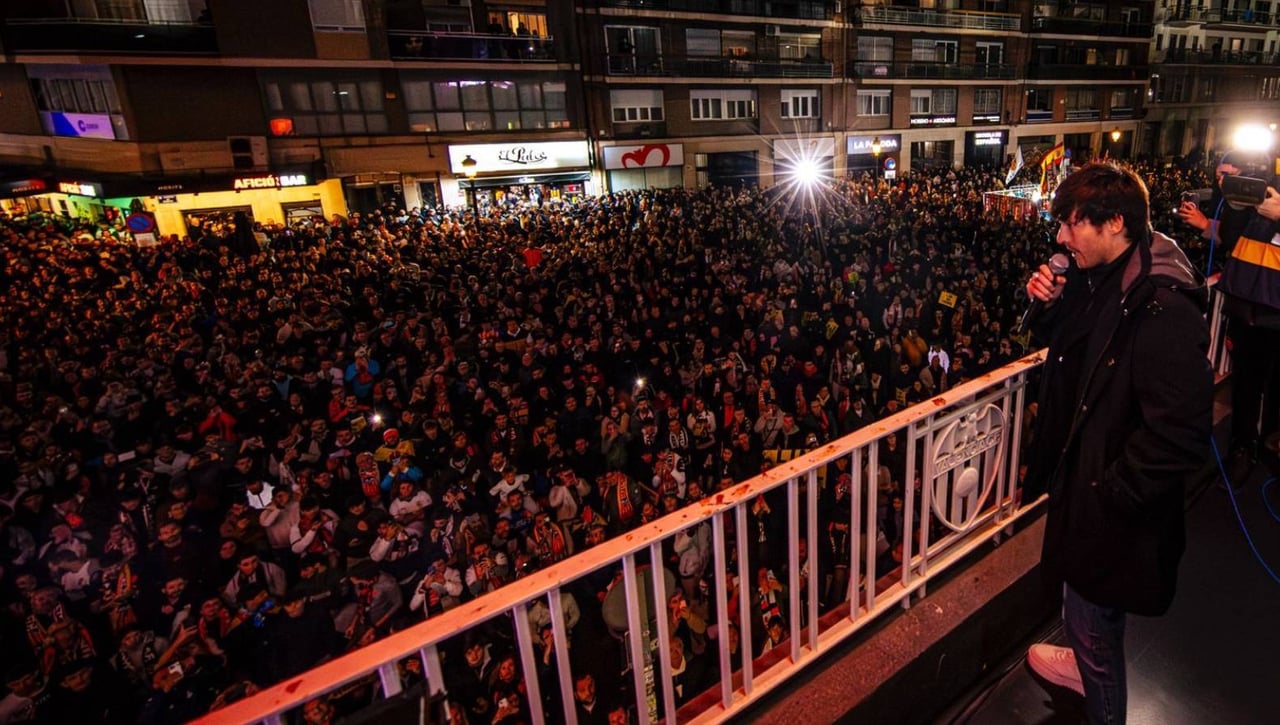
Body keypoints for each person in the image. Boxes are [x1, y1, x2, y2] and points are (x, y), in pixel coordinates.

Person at [1022, 163, 1213, 724]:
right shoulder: (1105, 276)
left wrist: (1109, 492)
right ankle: (1081, 653)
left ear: (1115, 224)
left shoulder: (1164, 310)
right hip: (1088, 482)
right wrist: (1051, 307)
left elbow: (1179, 436)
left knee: (1095, 625)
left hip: (1110, 507)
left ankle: (1097, 689)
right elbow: (1079, 352)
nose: (1060, 237)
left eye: (1071, 224)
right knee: (1082, 603)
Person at [1179, 150, 1280, 481]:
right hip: (1247, 304)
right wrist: (1228, 209)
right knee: (1247, 384)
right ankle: (1243, 447)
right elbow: (1233, 240)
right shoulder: (1260, 189)